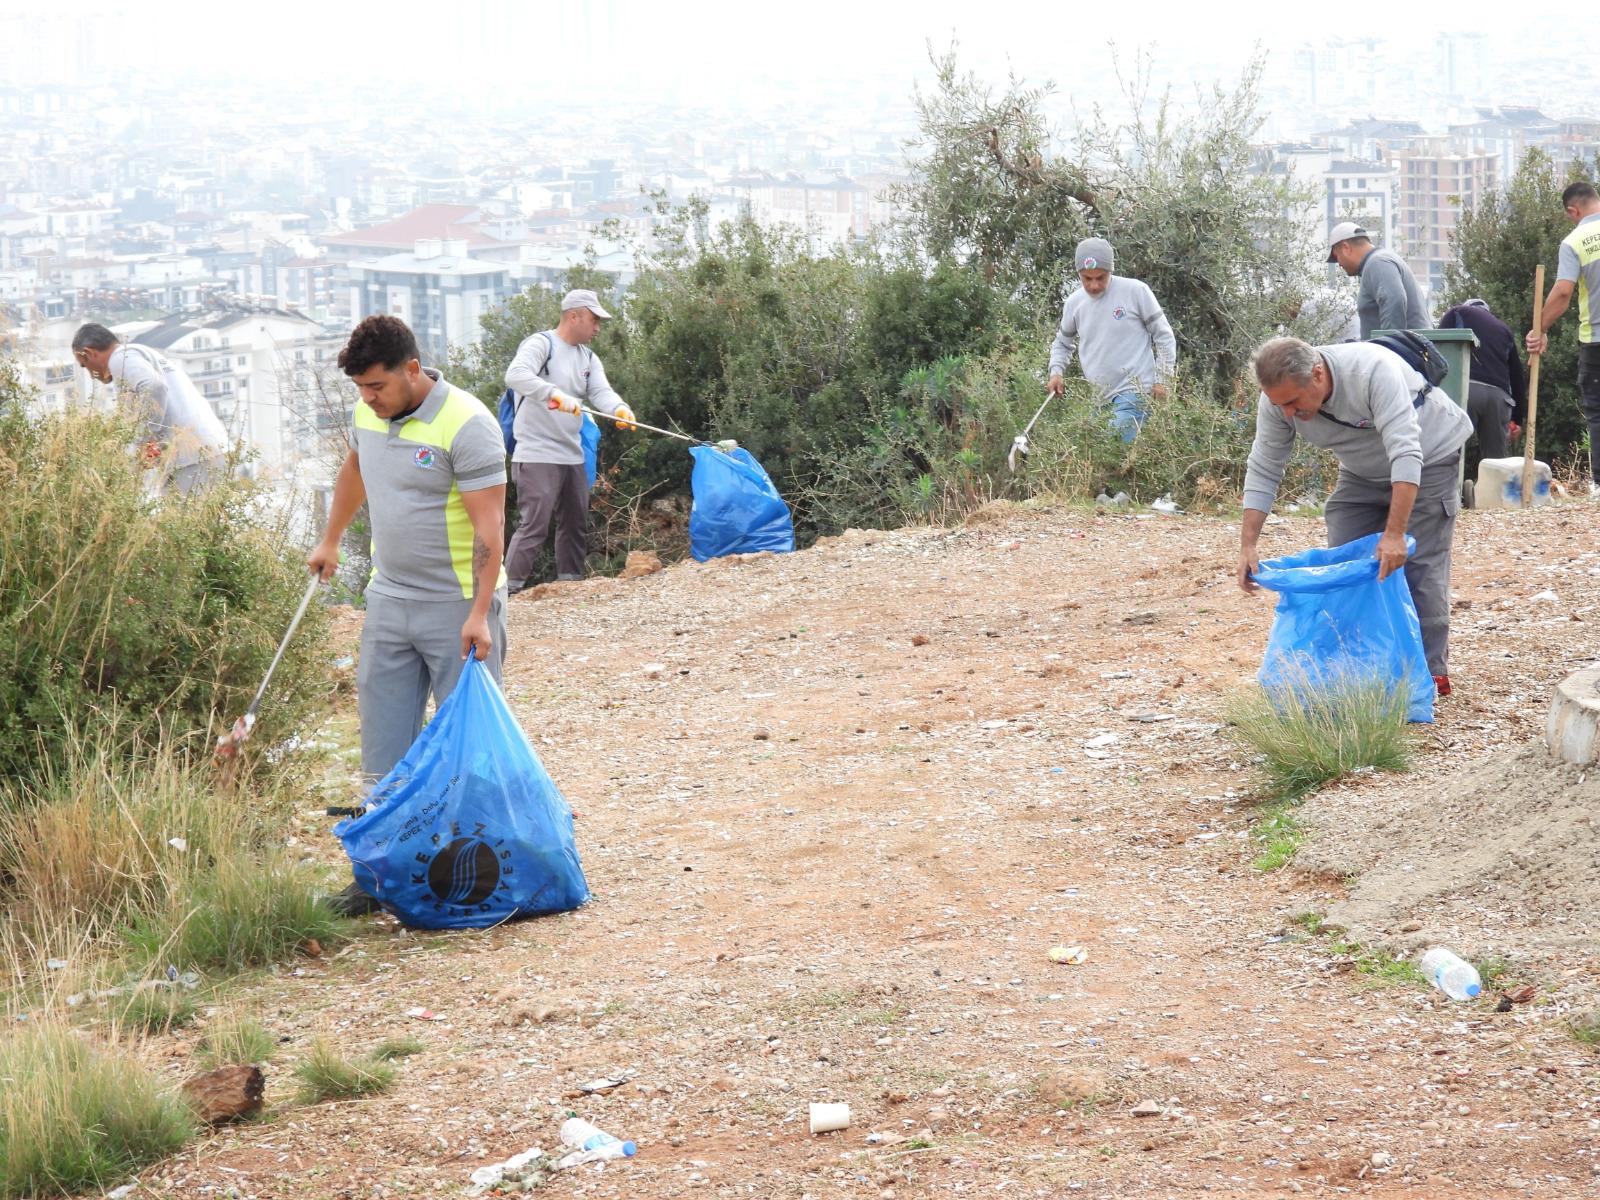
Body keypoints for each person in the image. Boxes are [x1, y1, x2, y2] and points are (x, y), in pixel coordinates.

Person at [307, 315, 508, 915]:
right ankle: (376, 877)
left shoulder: (467, 424)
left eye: (377, 387)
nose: (368, 399)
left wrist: (478, 614)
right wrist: (331, 538)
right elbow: (355, 470)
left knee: (465, 749)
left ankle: (472, 878)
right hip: (388, 601)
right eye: (361, 389)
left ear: (412, 369)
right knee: (382, 751)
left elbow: (490, 530)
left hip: (455, 609)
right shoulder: (369, 413)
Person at [1237, 336, 1473, 696]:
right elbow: (1265, 466)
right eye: (1278, 403)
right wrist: (1248, 545)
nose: (1286, 412)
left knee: (1418, 562)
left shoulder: (1371, 370)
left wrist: (1394, 535)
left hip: (1431, 455)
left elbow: (1407, 453)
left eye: (1293, 402)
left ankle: (1427, 675)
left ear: (1317, 375)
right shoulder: (1277, 402)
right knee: (1347, 563)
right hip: (1361, 472)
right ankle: (1362, 668)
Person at [502, 289, 634, 592]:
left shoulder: (587, 357)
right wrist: (554, 394)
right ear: (574, 316)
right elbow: (515, 375)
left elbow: (601, 392)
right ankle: (507, 591)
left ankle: (570, 588)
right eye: (594, 319)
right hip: (535, 453)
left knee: (575, 523)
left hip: (571, 454)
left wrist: (619, 409)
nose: (597, 327)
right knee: (534, 524)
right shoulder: (541, 344)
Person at [71, 322, 229, 495]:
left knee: (181, 518)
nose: (90, 374)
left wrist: (146, 440)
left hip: (190, 457)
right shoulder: (139, 354)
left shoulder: (120, 358)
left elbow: (153, 387)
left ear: (90, 353)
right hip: (206, 450)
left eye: (85, 366)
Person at [1046, 237, 1177, 441]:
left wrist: (1163, 380)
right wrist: (1056, 372)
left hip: (1136, 391)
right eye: (1087, 279)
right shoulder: (1074, 304)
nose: (1094, 285)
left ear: (1111, 270)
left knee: (1114, 444)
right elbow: (1062, 343)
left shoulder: (1136, 291)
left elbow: (1164, 336)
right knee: (1097, 456)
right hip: (1100, 400)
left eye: (1100, 277)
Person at [1526, 180, 1600, 495]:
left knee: (1597, 410)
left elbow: (1563, 292)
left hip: (1596, 339)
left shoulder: (1575, 241)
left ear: (1573, 210)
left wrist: (1539, 329)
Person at [1437, 298, 1527, 468]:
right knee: (1496, 462)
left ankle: (1452, 493)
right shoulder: (1504, 330)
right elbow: (1517, 377)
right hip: (1499, 397)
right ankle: (1496, 494)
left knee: (1452, 450)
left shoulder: (1457, 312)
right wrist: (1517, 420)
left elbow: (1438, 351)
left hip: (1467, 388)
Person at [1326, 221, 1431, 339]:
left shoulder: (1377, 263)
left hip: (1405, 354)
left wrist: (1390, 347)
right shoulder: (1378, 262)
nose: (1339, 264)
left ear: (1346, 248)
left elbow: (1394, 299)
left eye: (1337, 256)